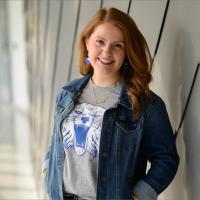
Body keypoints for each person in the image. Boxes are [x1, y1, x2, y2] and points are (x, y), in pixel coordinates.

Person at [43, 7, 179, 200]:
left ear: (127, 52)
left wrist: (139, 195)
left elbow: (166, 159)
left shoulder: (146, 105)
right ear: (87, 42)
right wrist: (47, 170)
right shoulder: (67, 93)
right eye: (100, 41)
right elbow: (56, 142)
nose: (106, 52)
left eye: (117, 46)